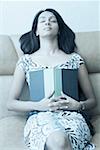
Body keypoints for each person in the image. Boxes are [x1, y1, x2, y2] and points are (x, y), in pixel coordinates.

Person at [7, 8, 96, 150]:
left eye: (52, 20)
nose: (47, 22)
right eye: (42, 21)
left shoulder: (74, 59)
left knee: (62, 141)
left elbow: (92, 101)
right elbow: (10, 103)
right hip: (40, 116)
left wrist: (78, 106)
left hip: (73, 117)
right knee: (58, 140)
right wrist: (38, 106)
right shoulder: (26, 61)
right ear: (36, 31)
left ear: (59, 29)